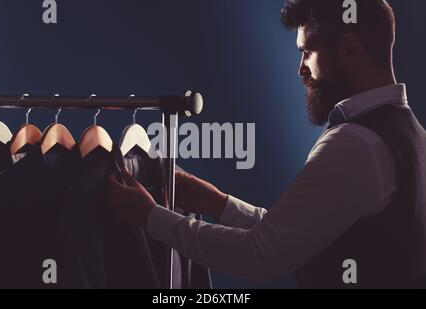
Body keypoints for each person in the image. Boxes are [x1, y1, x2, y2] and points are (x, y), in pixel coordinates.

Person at [107, 0, 426, 288]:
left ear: (349, 49)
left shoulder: (357, 143)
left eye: (307, 52)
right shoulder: (412, 134)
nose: (301, 68)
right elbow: (293, 237)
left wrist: (150, 217)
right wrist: (218, 204)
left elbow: (259, 255)